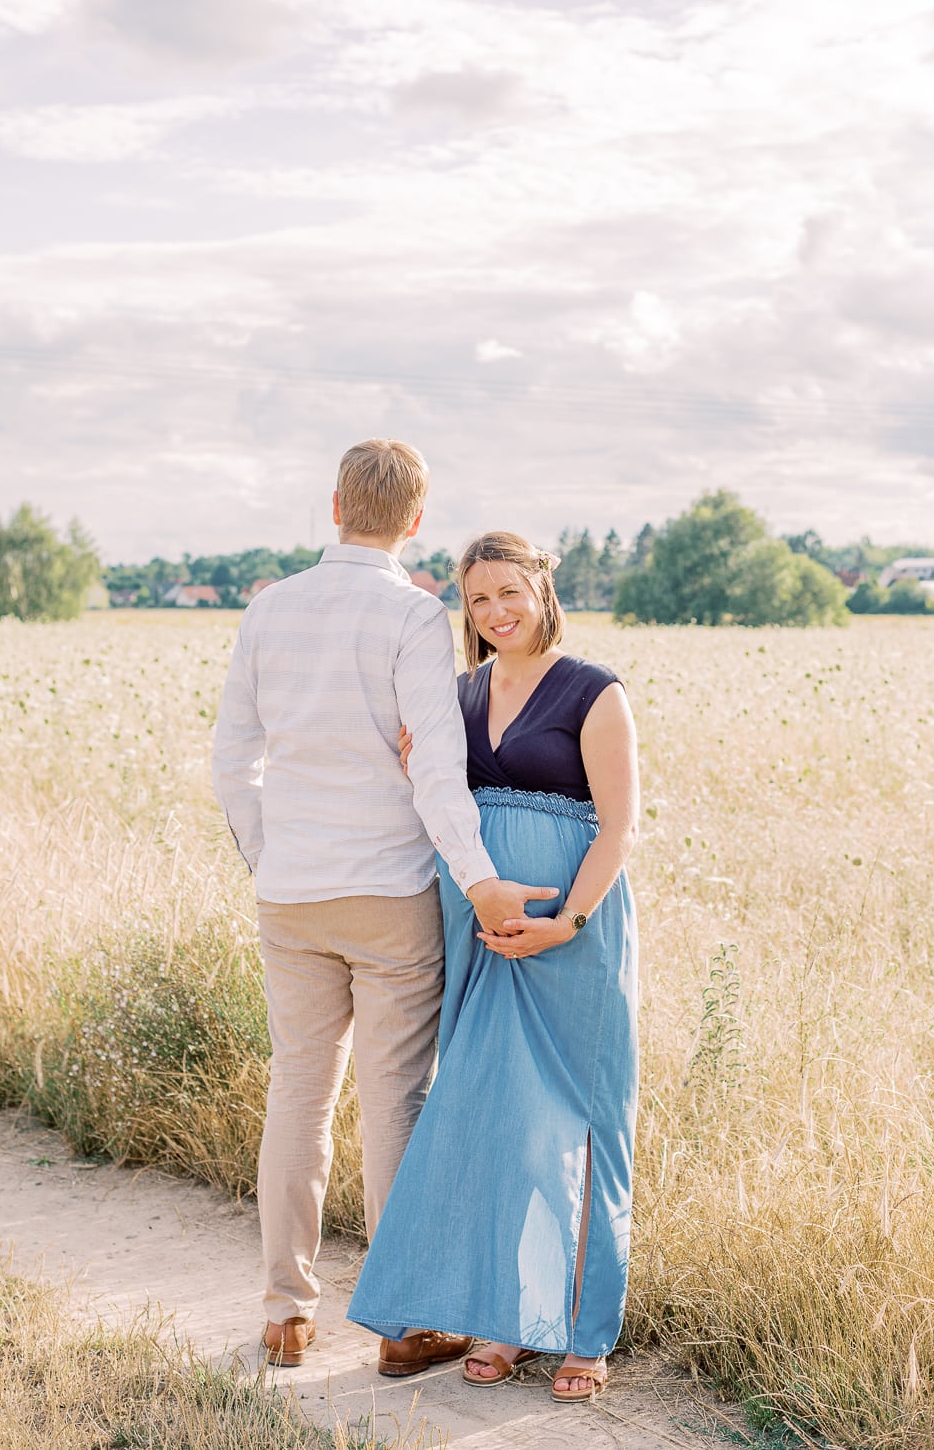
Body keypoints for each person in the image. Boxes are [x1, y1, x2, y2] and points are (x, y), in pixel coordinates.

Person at [212, 444, 556, 1374]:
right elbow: (437, 769)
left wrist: (265, 854)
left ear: (333, 507)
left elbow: (230, 761)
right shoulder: (414, 614)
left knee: (299, 1095)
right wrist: (482, 876)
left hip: (291, 894)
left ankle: (287, 1310)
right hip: (391, 892)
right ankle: (402, 1325)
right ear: (415, 521)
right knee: (394, 1099)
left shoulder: (268, 608)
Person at [348, 531, 640, 1404]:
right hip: (479, 932)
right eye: (478, 600)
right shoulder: (460, 691)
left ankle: (587, 1330)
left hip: (571, 936)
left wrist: (567, 922)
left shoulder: (596, 691)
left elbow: (619, 828)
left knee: (582, 1127)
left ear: (542, 588)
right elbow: (434, 790)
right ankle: (510, 1319)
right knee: (495, 1119)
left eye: (510, 592)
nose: (496, 612)